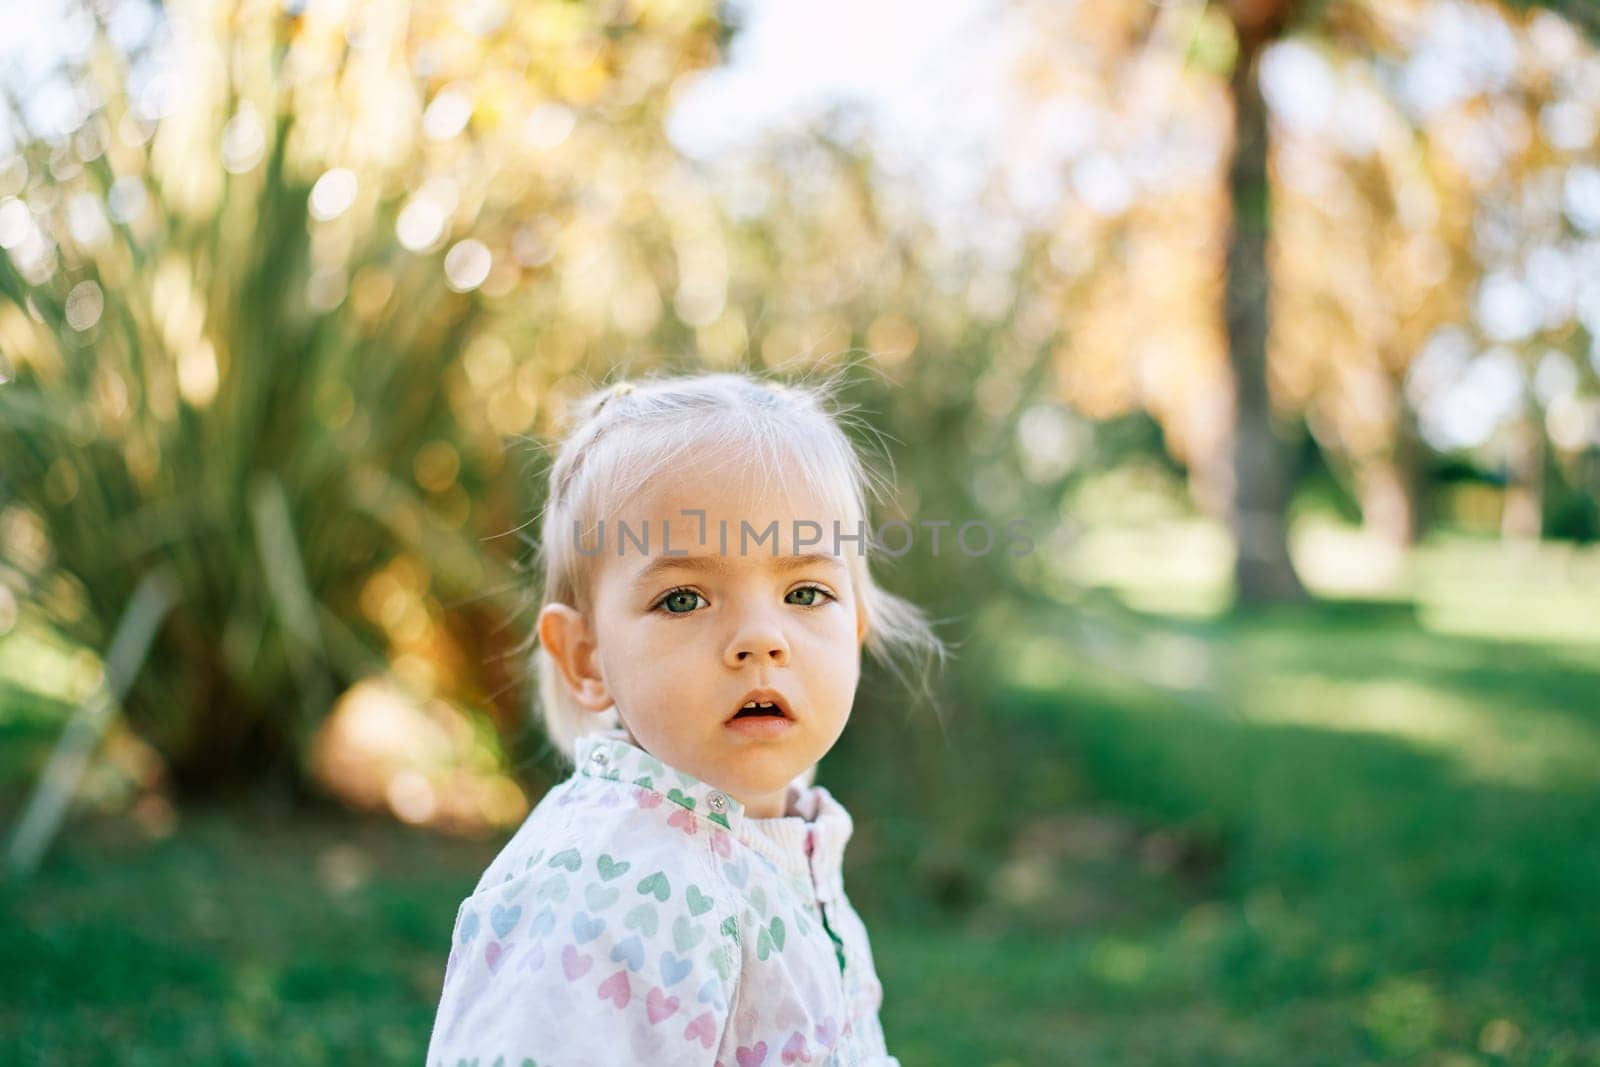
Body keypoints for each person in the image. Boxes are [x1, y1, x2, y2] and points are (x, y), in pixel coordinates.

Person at [425, 369, 947, 1066]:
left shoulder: (782, 841)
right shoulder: (601, 890)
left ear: (855, 628)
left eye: (805, 589)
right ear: (587, 657)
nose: (762, 638)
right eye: (683, 599)